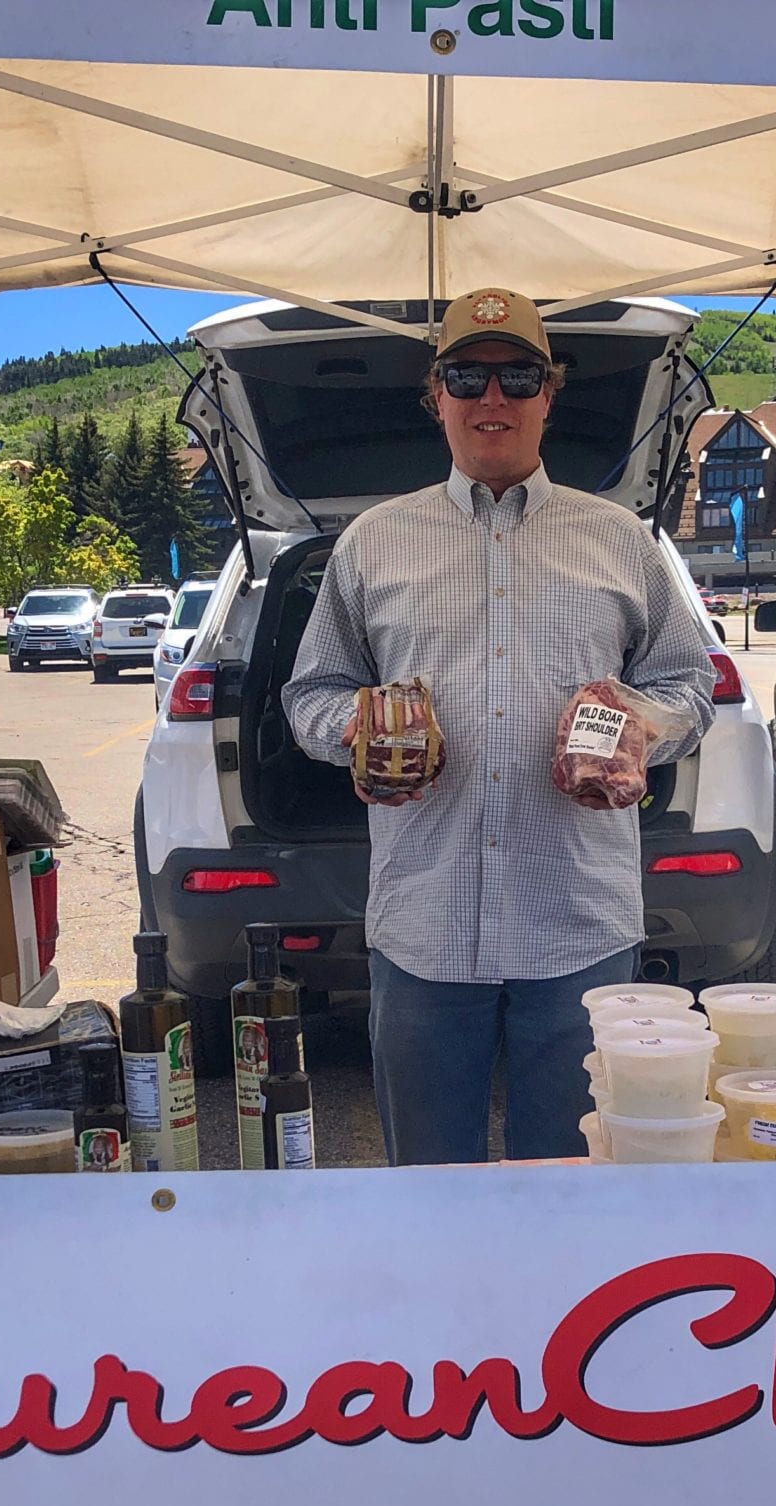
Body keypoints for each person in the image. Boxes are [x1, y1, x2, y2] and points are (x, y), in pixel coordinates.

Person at [283, 287, 715, 1165]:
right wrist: (356, 731)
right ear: (434, 394)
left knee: (570, 1182)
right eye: (466, 377)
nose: (492, 398)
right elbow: (311, 694)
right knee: (430, 1185)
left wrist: (642, 726)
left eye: (518, 376)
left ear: (549, 394)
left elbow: (688, 685)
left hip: (579, 924)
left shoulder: (622, 540)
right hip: (424, 922)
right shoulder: (371, 543)